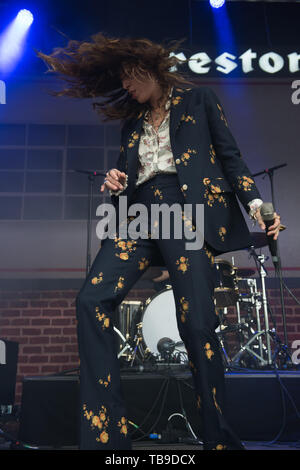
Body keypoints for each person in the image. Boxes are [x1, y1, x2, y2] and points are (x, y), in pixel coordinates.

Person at [37, 33, 281, 450]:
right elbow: (125, 177)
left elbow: (231, 157)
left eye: (130, 78)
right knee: (90, 300)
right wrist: (116, 183)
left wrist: (256, 205)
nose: (126, 87)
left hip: (186, 211)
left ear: (148, 69)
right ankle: (105, 440)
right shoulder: (131, 123)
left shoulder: (199, 101)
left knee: (196, 323)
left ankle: (216, 438)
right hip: (138, 215)